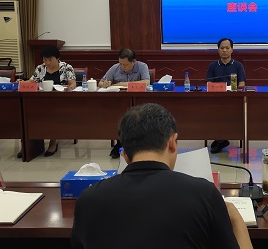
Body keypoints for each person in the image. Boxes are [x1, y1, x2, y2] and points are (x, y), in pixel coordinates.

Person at [71, 103, 252, 249]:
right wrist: (236, 218)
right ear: (172, 142)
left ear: (124, 155)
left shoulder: (88, 200)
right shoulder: (205, 194)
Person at [25, 45, 77, 157]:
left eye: (50, 60)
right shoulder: (40, 68)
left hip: (61, 101)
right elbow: (32, 82)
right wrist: (22, 83)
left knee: (54, 113)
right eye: (45, 60)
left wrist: (68, 88)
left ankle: (53, 141)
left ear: (57, 58)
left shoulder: (67, 67)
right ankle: (28, 145)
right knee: (28, 112)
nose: (47, 63)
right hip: (42, 101)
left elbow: (73, 84)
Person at [98, 48, 150, 158]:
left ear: (133, 61)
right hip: (120, 103)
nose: (122, 67)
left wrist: (123, 84)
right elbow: (100, 83)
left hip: (139, 103)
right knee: (118, 116)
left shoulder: (142, 66)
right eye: (120, 64)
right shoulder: (115, 68)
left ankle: (137, 144)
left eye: (125, 65)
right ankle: (121, 143)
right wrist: (105, 84)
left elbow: (146, 82)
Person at [206, 38, 246, 154]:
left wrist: (232, 90)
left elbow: (242, 84)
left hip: (233, 99)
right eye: (222, 48)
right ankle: (221, 139)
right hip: (216, 99)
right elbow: (209, 83)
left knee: (228, 110)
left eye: (227, 48)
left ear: (232, 50)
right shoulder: (213, 66)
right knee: (214, 111)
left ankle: (221, 139)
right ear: (218, 50)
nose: (224, 50)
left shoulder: (238, 65)